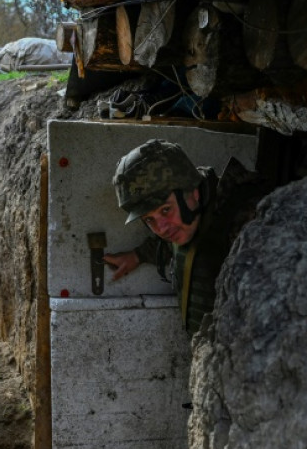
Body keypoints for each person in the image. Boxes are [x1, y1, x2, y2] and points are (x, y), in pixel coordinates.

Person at [103, 139, 264, 335]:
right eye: (149, 219)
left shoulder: (249, 222)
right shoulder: (190, 217)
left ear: (193, 192)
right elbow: (171, 244)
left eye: (165, 210)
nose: (161, 228)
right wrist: (136, 256)